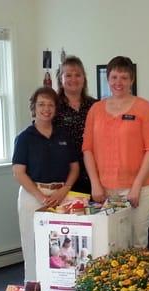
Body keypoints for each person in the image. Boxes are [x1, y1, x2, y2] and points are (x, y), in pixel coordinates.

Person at [83, 56, 149, 248]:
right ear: (107, 79)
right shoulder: (96, 109)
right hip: (105, 190)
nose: (119, 82)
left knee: (137, 244)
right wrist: (95, 184)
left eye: (124, 77)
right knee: (110, 244)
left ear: (132, 80)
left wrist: (136, 185)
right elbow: (87, 149)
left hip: (140, 189)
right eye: (114, 77)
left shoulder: (144, 108)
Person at [12, 87, 79, 281]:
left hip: (61, 195)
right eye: (41, 104)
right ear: (34, 108)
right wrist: (40, 196)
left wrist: (65, 189)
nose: (46, 109)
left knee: (62, 246)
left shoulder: (63, 135)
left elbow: (74, 167)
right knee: (33, 245)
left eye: (50, 105)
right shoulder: (25, 138)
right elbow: (19, 172)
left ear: (56, 109)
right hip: (33, 195)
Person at [53, 56, 97, 194]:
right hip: (63, 175)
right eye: (68, 75)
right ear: (61, 79)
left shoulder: (96, 106)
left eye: (78, 75)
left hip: (93, 174)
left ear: (84, 78)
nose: (73, 79)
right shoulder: (53, 106)